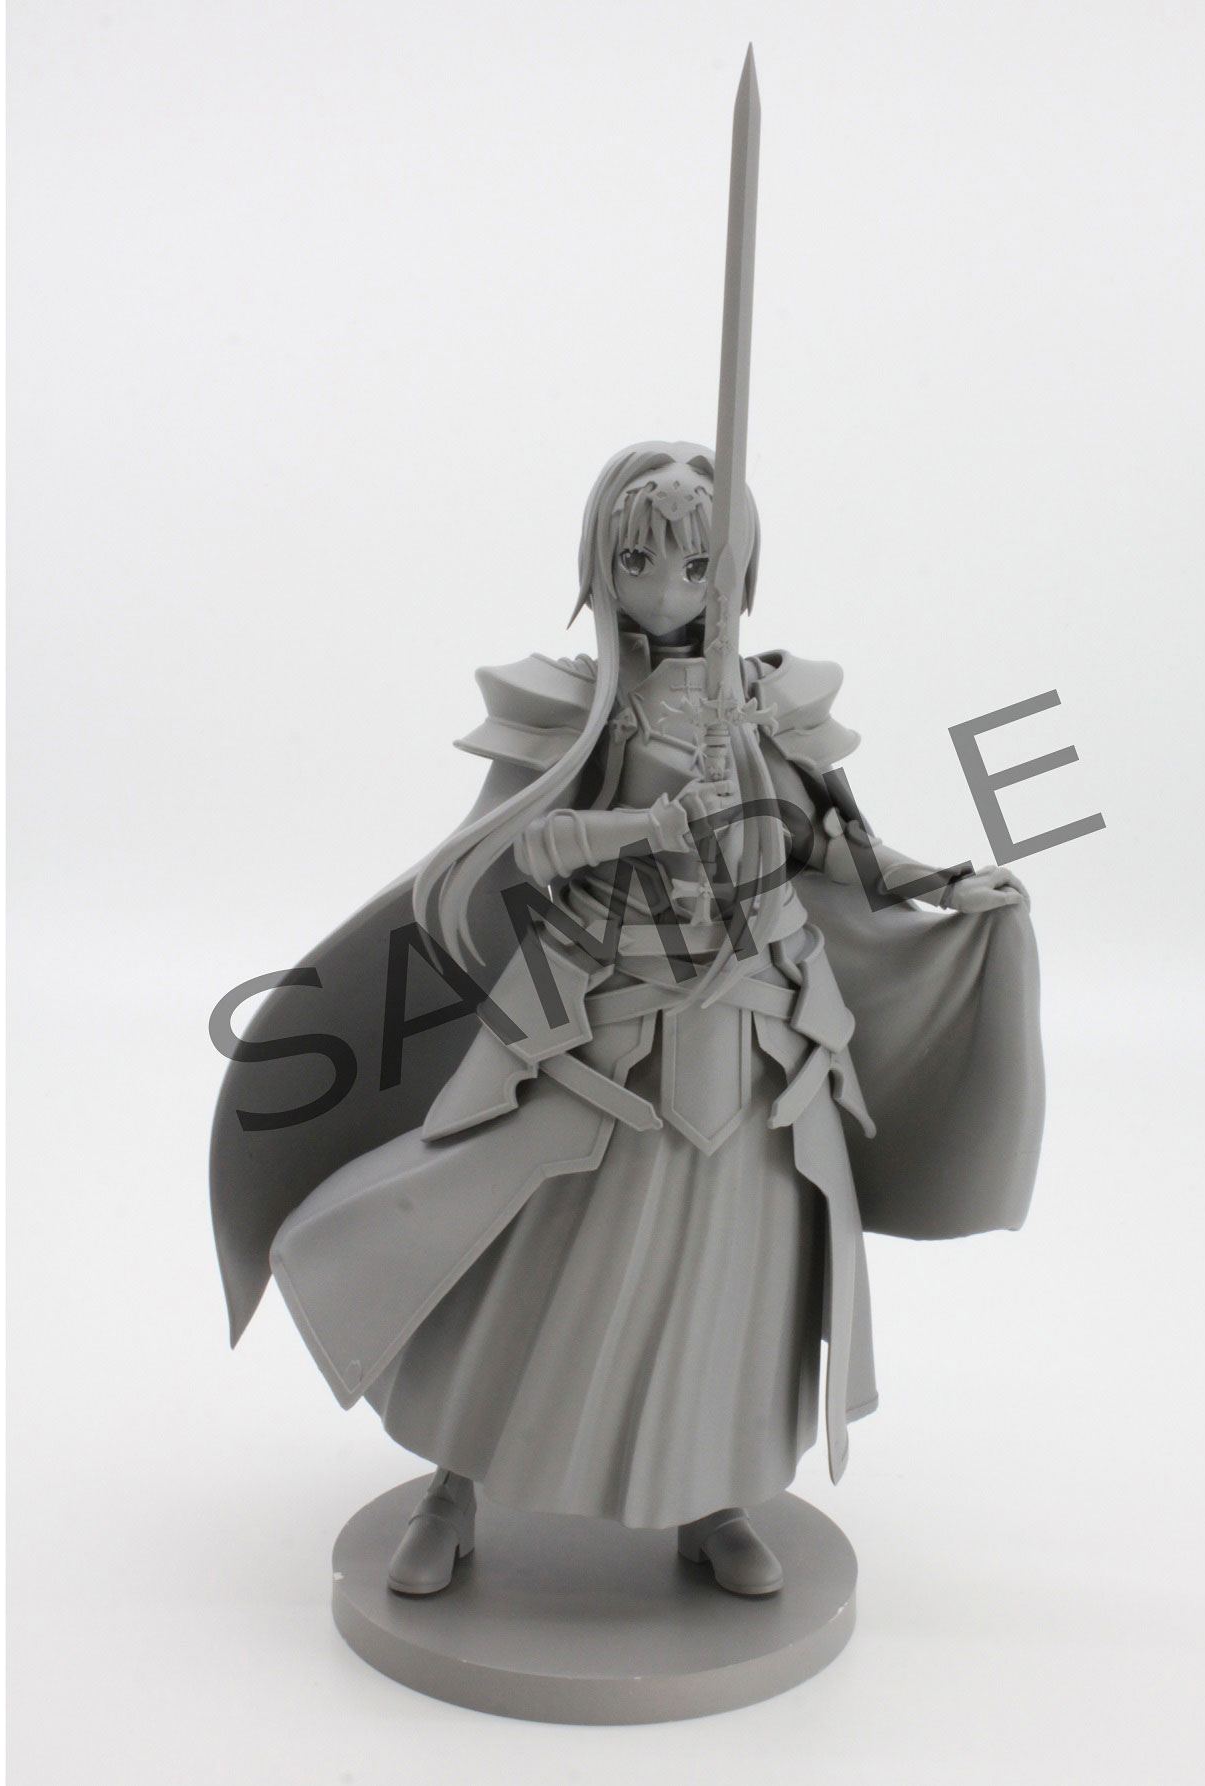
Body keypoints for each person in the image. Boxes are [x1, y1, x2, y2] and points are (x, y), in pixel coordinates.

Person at [211, 441, 1044, 1601]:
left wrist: (938, 880)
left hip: (754, 1034)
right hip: (600, 1029)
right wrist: (641, 829)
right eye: (637, 560)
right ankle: (452, 1486)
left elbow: (830, 846)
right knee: (522, 1252)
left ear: (734, 570)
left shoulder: (768, 705)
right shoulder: (579, 711)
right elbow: (512, 852)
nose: (664, 587)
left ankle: (709, 1497)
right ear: (600, 565)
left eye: (695, 564)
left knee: (731, 1273)